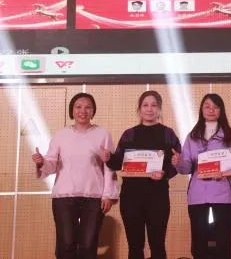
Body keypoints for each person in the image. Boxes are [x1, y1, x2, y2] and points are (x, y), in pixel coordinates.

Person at [32, 92, 118, 259]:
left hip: (93, 196)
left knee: (88, 245)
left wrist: (108, 195)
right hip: (64, 197)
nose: (82, 111)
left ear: (93, 111)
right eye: (78, 107)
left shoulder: (103, 134)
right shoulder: (60, 135)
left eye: (87, 107)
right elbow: (51, 165)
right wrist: (41, 162)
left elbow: (110, 167)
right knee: (66, 244)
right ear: (72, 110)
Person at [102, 90, 181, 259]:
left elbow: (176, 164)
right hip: (131, 197)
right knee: (135, 246)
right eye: (145, 105)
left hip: (158, 197)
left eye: (154, 105)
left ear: (159, 109)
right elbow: (117, 163)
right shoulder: (129, 134)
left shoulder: (168, 134)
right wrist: (108, 158)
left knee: (157, 245)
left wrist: (167, 171)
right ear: (139, 109)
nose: (149, 109)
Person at [172, 93, 231, 259]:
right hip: (197, 196)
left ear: (221, 110)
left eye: (215, 107)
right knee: (199, 243)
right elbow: (186, 168)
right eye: (207, 106)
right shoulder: (192, 136)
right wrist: (178, 162)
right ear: (201, 110)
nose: (211, 110)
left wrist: (224, 172)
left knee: (223, 243)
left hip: (223, 195)